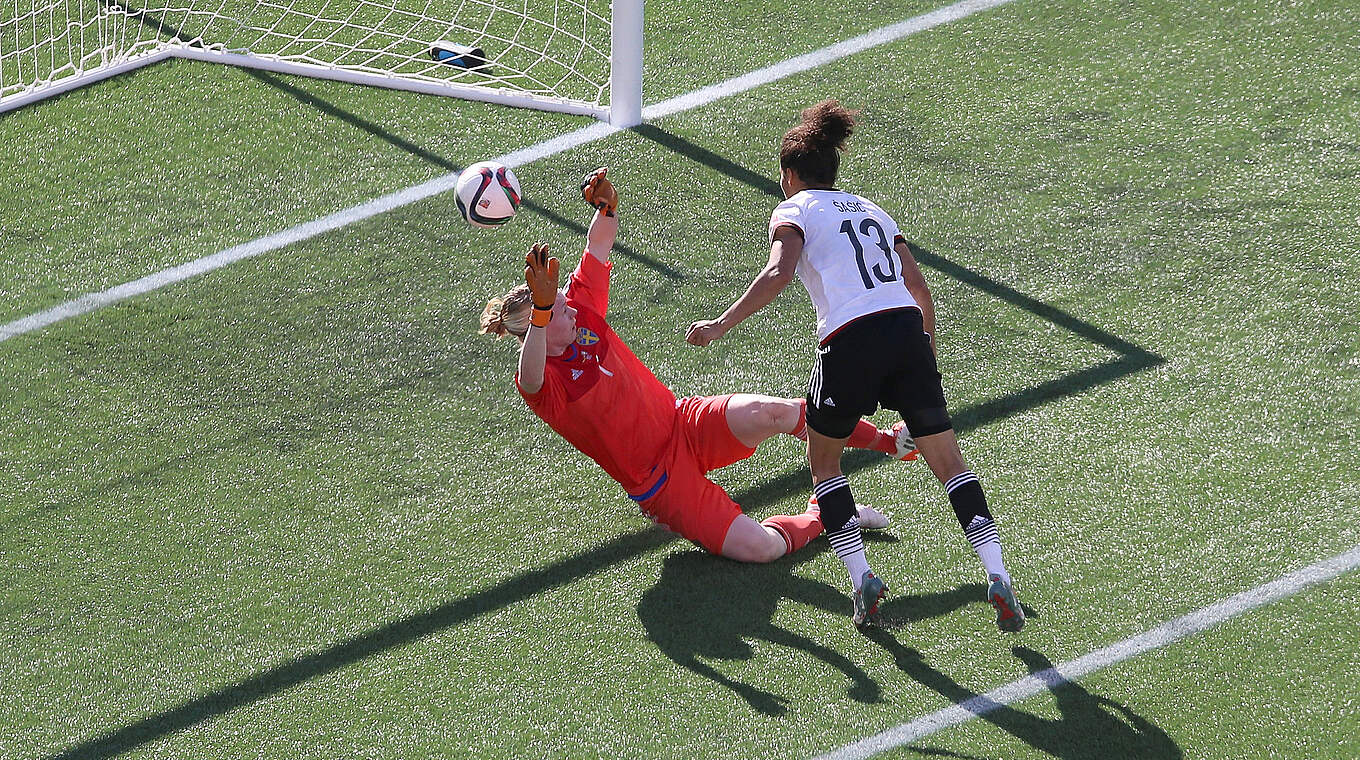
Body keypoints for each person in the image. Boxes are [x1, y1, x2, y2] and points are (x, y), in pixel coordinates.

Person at [686, 100, 1025, 631]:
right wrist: (923, 366)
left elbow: (778, 274)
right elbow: (919, 289)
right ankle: (997, 574)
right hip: (907, 332)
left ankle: (863, 578)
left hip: (850, 339)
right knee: (951, 466)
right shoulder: (871, 210)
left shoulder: (794, 210)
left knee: (825, 465)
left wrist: (719, 325)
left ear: (790, 174)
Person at [479, 168, 916, 564]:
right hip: (660, 483)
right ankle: (829, 514)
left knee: (775, 412)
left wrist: (607, 208)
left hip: (683, 422)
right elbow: (531, 374)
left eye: (560, 301)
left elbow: (597, 246)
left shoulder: (583, 310)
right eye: (556, 310)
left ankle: (887, 442)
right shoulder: (543, 382)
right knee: (760, 548)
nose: (569, 309)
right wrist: (540, 313)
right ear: (537, 324)